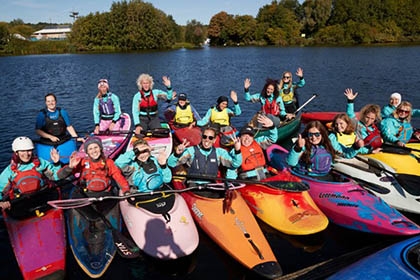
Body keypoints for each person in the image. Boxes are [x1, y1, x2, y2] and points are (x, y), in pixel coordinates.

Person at [0, 137, 61, 217]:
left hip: (42, 195)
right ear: (16, 152)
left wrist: (56, 163)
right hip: (21, 201)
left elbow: (56, 177)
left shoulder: (40, 163)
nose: (26, 154)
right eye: (22, 151)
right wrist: (1, 202)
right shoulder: (10, 171)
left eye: (29, 150)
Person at [57, 137, 129, 195]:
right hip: (86, 193)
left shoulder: (108, 162)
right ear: (87, 152)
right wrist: (70, 167)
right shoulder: (82, 162)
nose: (94, 151)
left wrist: (126, 190)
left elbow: (119, 177)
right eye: (90, 149)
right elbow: (60, 176)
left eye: (96, 147)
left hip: (105, 194)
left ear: (100, 149)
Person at [168, 126, 242, 180]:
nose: (207, 140)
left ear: (214, 140)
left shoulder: (219, 153)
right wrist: (176, 154)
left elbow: (235, 164)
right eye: (204, 137)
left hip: (211, 185)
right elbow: (171, 163)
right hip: (193, 185)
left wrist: (237, 150)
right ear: (201, 137)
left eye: (210, 138)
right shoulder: (191, 151)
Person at [234, 114, 278, 180]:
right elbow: (232, 169)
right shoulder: (236, 149)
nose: (247, 139)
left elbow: (272, 139)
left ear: (253, 137)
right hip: (248, 178)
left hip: (264, 174)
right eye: (244, 136)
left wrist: (272, 127)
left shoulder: (258, 142)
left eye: (250, 136)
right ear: (240, 137)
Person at [345, 88, 383, 154]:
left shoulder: (375, 127)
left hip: (376, 150)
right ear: (363, 115)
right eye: (367, 117)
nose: (369, 121)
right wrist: (350, 101)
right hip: (363, 151)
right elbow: (350, 114)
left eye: (372, 119)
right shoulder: (357, 124)